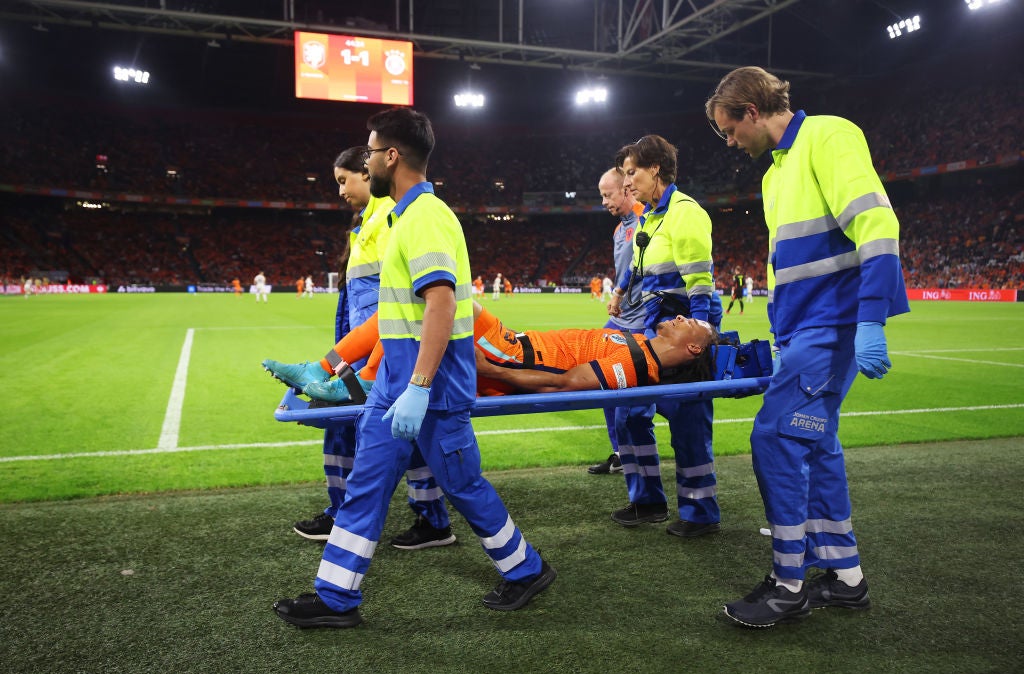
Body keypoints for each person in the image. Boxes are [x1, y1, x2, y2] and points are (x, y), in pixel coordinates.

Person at [273, 107, 555, 629]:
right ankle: (336, 598)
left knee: (464, 486)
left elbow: (442, 304)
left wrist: (420, 387)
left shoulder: (424, 217)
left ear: (392, 156)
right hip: (396, 388)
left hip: (432, 390)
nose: (370, 160)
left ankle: (525, 569)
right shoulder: (406, 217)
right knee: (366, 486)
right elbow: (400, 317)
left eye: (373, 151)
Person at [706, 66, 909, 627]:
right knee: (816, 446)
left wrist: (871, 320)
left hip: (831, 326)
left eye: (729, 129)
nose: (729, 142)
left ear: (751, 111)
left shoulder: (828, 135)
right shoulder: (775, 174)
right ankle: (845, 578)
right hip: (804, 329)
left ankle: (788, 583)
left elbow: (877, 222)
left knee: (774, 438)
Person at [286, 145, 454, 552]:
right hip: (366, 347)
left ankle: (361, 516)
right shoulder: (369, 221)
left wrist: (368, 361)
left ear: (368, 171)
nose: (341, 190)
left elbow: (398, 299)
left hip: (381, 349)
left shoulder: (390, 217)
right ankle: (421, 517)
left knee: (377, 428)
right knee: (389, 430)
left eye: (345, 180)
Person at [606, 135, 724, 539]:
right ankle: (649, 501)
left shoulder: (685, 213)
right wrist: (620, 290)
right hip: (654, 326)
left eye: (632, 172)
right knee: (629, 412)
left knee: (688, 422)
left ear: (656, 168)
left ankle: (700, 512)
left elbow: (701, 286)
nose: (626, 182)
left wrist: (701, 340)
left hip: (685, 325)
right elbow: (639, 265)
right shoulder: (651, 217)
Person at [265, 301, 724, 403]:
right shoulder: (640, 343)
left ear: (690, 347)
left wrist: (488, 369)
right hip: (513, 347)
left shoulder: (634, 364)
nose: (680, 317)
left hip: (510, 355)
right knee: (409, 305)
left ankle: (357, 383)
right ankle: (331, 371)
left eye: (690, 323)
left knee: (437, 300)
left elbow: (561, 384)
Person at [589, 168, 646, 475]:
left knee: (626, 387)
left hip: (642, 319)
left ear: (626, 189)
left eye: (607, 194)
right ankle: (619, 452)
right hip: (623, 318)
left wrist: (620, 293)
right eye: (601, 196)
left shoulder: (645, 220)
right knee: (600, 369)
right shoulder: (618, 230)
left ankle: (631, 452)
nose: (604, 202)